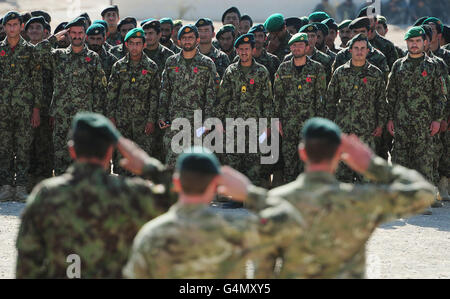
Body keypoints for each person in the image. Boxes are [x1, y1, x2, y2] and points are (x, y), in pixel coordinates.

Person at [231, 117, 435, 278]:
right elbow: (424, 194)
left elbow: (263, 273)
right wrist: (371, 164)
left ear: (302, 152)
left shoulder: (275, 201)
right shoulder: (359, 200)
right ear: (340, 154)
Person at [16, 112, 175, 278]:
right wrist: (147, 165)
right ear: (109, 153)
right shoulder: (130, 194)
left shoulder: (46, 195)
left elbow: (26, 266)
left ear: (72, 150)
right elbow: (182, 196)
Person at [123, 147, 263, 278]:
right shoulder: (238, 231)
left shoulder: (151, 234)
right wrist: (251, 194)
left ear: (176, 183)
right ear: (216, 185)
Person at [35, 17, 107, 176]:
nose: (76, 36)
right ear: (68, 35)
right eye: (73, 33)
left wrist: (96, 117)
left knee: (84, 155)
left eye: (80, 33)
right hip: (61, 117)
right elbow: (36, 54)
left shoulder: (93, 58)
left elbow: (100, 91)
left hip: (84, 117)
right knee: (61, 155)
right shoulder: (58, 56)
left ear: (85, 35)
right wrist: (54, 38)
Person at [386, 26, 447, 214]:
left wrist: (437, 119)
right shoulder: (398, 65)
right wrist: (390, 118)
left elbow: (441, 95)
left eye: (418, 41)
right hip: (402, 123)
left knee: (424, 162)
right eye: (411, 42)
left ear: (425, 43)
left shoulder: (434, 65)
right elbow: (391, 94)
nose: (414, 45)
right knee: (400, 162)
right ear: (406, 43)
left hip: (425, 124)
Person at [327, 34, 387, 182]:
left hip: (367, 131)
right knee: (341, 176)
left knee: (366, 176)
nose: (359, 52)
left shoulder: (375, 74)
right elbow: (330, 101)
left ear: (368, 51)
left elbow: (381, 101)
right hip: (344, 131)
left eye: (362, 49)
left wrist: (380, 125)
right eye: (356, 48)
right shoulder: (340, 72)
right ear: (350, 50)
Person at [215, 33, 273, 187]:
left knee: (254, 166)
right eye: (241, 49)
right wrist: (220, 123)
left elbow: (267, 101)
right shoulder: (230, 71)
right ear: (236, 51)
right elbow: (222, 99)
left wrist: (267, 127)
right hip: (232, 126)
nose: (244, 52)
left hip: (255, 126)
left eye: (247, 49)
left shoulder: (261, 72)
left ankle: (250, 200)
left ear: (253, 50)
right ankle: (233, 199)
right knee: (233, 164)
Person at [158, 25, 219, 167]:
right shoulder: (171, 62)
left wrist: (209, 121)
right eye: (184, 38)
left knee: (197, 167)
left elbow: (211, 95)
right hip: (175, 121)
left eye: (190, 37)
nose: (187, 41)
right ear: (179, 41)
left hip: (198, 124)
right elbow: (165, 91)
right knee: (172, 166)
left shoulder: (207, 64)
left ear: (197, 39)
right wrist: (162, 115)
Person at [274, 33, 327, 183]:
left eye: (300, 45)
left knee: (308, 163)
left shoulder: (317, 69)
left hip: (309, 125)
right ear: (290, 47)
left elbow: (321, 98)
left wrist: (319, 124)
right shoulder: (283, 69)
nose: (297, 48)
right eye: (294, 45)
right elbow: (277, 97)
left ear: (307, 47)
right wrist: (277, 120)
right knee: (289, 164)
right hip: (288, 125)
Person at [106, 28, 160, 176]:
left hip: (143, 123)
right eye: (131, 43)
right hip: (122, 121)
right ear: (126, 45)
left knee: (141, 160)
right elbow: (111, 94)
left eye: (138, 43)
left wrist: (151, 120)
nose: (134, 47)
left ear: (144, 45)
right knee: (121, 159)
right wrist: (111, 117)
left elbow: (154, 96)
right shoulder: (119, 66)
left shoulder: (151, 67)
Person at [0, 12, 42, 201]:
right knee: (4, 147)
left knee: (24, 147)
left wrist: (36, 110)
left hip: (25, 109)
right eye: (8, 25)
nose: (12, 28)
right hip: (3, 108)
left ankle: (22, 186)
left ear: (21, 26)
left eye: (15, 24)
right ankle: (7, 186)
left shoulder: (30, 51)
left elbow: (37, 82)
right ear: (4, 27)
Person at [332, 17, 389, 82]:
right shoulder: (342, 56)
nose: (359, 35)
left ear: (369, 33)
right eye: (355, 32)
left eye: (362, 31)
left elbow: (384, 86)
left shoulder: (379, 57)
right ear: (351, 34)